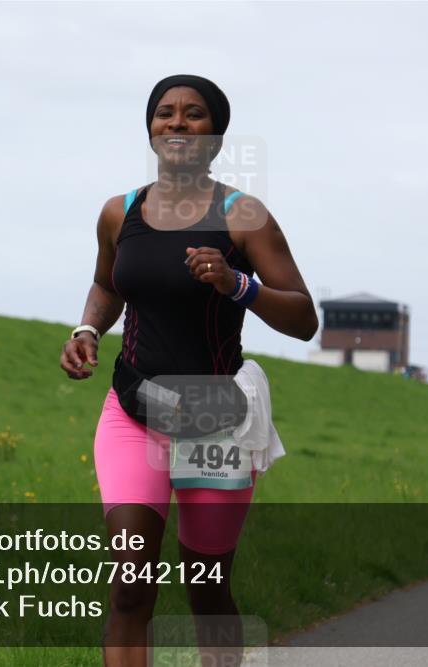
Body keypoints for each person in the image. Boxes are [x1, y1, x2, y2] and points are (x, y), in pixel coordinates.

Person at [59, 74, 318, 667]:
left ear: (216, 135)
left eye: (193, 114)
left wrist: (237, 284)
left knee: (207, 588)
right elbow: (107, 284)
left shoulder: (244, 216)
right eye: (165, 112)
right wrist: (87, 330)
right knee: (131, 584)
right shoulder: (119, 212)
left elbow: (304, 319)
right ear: (150, 128)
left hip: (215, 420)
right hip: (133, 412)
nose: (177, 122)